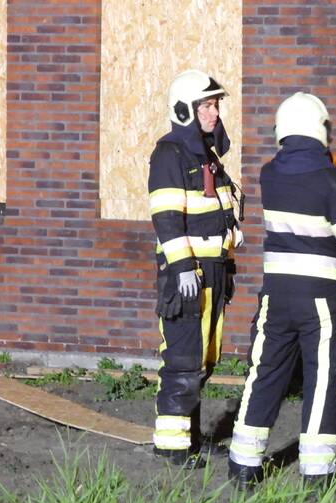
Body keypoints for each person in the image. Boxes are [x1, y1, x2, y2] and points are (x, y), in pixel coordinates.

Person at [226, 92, 336, 490]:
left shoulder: (269, 174)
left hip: (275, 295)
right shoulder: (334, 184)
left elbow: (305, 164)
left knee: (265, 372)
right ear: (320, 129)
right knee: (323, 378)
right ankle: (316, 471)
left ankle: (243, 463)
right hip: (320, 298)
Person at [149, 69, 243, 468]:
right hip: (188, 276)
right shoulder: (169, 154)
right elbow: (166, 217)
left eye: (216, 104)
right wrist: (184, 266)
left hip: (213, 271)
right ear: (184, 110)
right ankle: (172, 447)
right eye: (206, 105)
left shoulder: (207, 155)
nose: (214, 112)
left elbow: (216, 208)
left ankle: (191, 439)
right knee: (184, 358)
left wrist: (230, 245)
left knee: (204, 358)